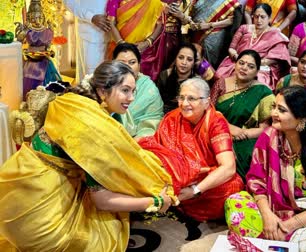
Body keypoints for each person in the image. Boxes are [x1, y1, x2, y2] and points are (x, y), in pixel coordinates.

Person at [0, 61, 176, 251]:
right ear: (102, 91)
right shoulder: (93, 128)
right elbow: (102, 201)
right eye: (125, 90)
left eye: (133, 91)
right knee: (107, 231)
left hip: (13, 192)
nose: (132, 98)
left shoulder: (70, 100)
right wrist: (154, 202)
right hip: (40, 220)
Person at [225, 86, 306, 250]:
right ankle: (274, 240)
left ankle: (272, 242)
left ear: (301, 119)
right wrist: (267, 215)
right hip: (273, 211)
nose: (273, 114)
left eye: (281, 110)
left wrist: (289, 226)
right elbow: (257, 182)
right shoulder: (269, 137)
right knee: (235, 204)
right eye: (274, 107)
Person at [142, 77, 244, 237]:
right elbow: (159, 152)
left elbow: (228, 167)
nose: (184, 103)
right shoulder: (172, 118)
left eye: (191, 98)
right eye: (181, 97)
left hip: (204, 183)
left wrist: (195, 190)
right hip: (177, 179)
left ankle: (178, 201)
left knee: (232, 186)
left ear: (206, 101)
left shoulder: (215, 122)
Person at [211, 50, 274, 179]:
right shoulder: (221, 83)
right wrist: (228, 128)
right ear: (235, 64)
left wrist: (241, 133)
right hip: (216, 131)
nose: (244, 68)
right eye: (242, 63)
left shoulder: (264, 92)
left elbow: (266, 129)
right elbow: (208, 112)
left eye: (250, 66)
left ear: (257, 71)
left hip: (244, 138)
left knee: (246, 152)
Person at [216, 3, 291, 90]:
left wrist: (251, 65)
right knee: (222, 75)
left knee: (258, 81)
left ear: (269, 18)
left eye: (262, 17)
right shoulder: (244, 28)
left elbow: (273, 59)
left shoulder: (276, 35)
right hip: (238, 61)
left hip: (260, 67)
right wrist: (237, 58)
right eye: (256, 16)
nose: (259, 20)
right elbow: (232, 48)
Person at [112, 43, 164, 139]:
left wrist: (134, 144)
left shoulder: (149, 89)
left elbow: (152, 121)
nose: (127, 67)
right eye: (122, 63)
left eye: (132, 62)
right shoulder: (106, 83)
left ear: (139, 65)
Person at [105, 0, 166, 81]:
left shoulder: (154, 2)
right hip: (119, 47)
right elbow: (111, 23)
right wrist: (121, 44)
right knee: (116, 79)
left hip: (144, 50)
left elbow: (160, 24)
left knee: (141, 81)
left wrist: (147, 42)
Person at [16, 0, 61, 97]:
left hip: (45, 61)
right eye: (34, 18)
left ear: (43, 17)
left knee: (49, 85)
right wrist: (24, 31)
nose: (37, 20)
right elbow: (18, 40)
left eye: (39, 17)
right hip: (31, 62)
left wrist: (50, 52)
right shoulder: (28, 30)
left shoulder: (47, 30)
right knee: (29, 83)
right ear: (29, 18)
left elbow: (48, 46)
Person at [187, 0, 243, 69]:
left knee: (205, 64)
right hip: (193, 30)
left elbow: (232, 20)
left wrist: (209, 25)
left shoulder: (230, 1)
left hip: (213, 35)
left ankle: (204, 78)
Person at [64, 0, 110, 82]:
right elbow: (69, 2)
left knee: (112, 79)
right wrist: (91, 17)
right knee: (91, 79)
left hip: (116, 37)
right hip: (91, 36)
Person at [157, 43, 198, 113]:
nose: (184, 62)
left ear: (194, 63)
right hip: (163, 114)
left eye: (189, 59)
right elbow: (157, 101)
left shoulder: (197, 82)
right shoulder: (165, 75)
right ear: (175, 59)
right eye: (181, 57)